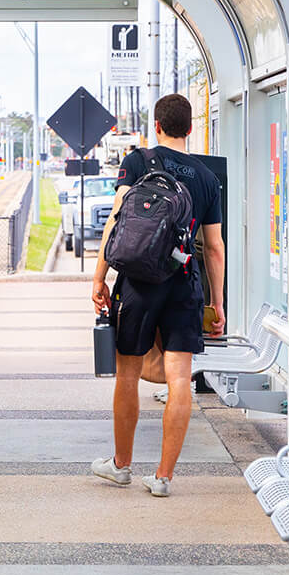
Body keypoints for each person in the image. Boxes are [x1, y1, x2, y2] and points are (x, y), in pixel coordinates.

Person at [91, 93, 226, 497]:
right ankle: (164, 478)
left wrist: (100, 277)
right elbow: (214, 248)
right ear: (189, 128)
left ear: (158, 126)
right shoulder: (206, 177)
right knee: (179, 378)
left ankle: (122, 466)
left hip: (136, 283)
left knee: (128, 373)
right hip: (184, 283)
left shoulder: (136, 162)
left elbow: (117, 221)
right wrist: (215, 303)